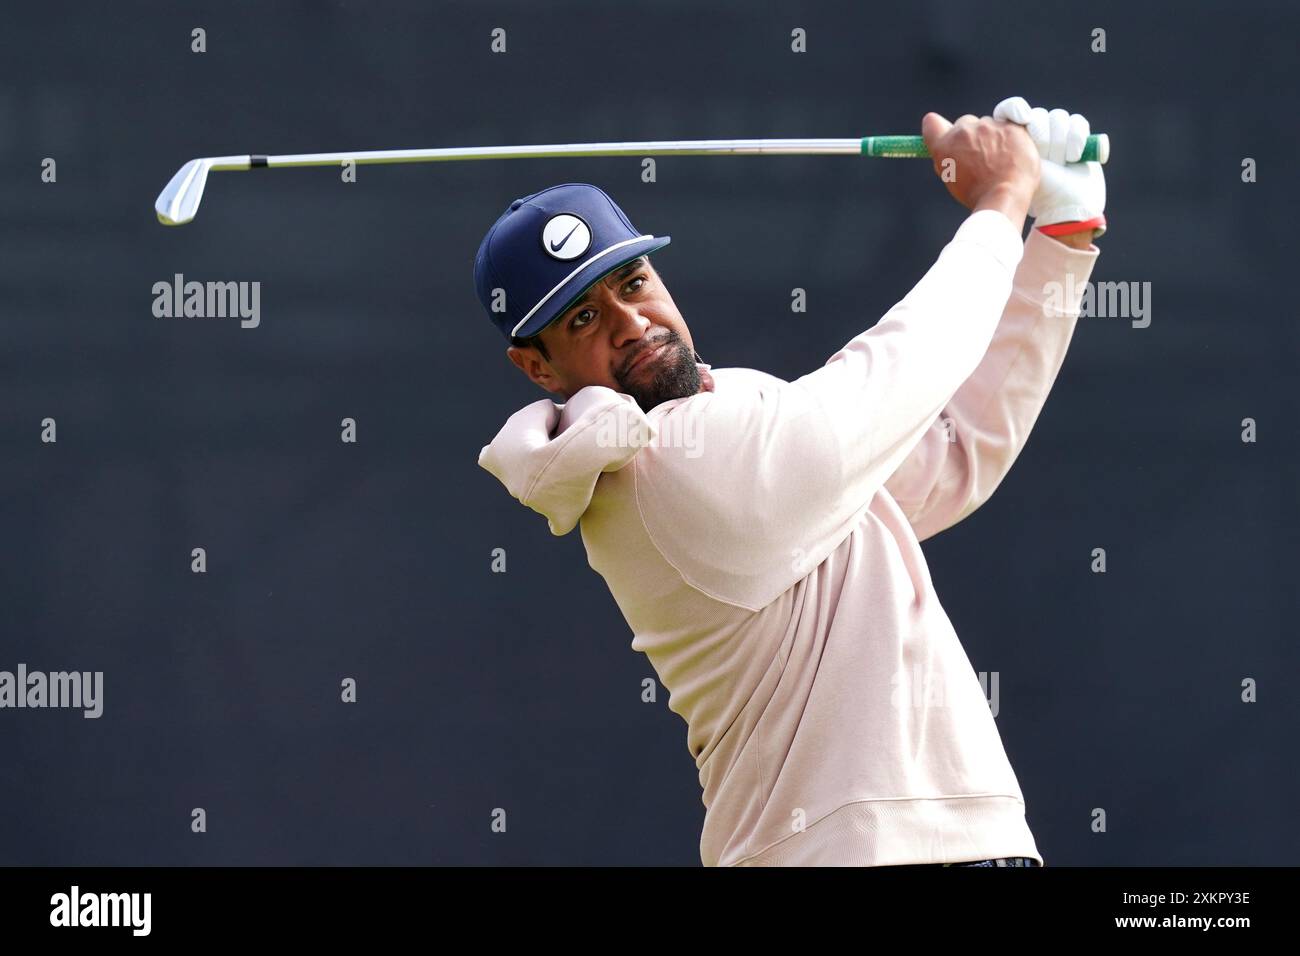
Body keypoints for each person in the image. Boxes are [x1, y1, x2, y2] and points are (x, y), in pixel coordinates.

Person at [475, 96, 1105, 866]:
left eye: (632, 282)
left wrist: (1060, 239)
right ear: (537, 367)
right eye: (581, 319)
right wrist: (1001, 201)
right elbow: (898, 374)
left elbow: (950, 456)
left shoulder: (731, 409)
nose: (631, 322)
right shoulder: (661, 460)